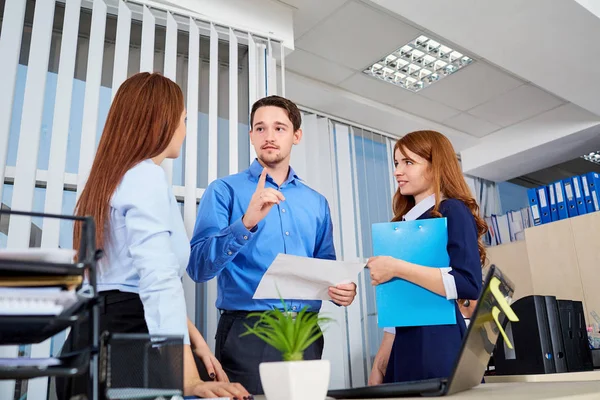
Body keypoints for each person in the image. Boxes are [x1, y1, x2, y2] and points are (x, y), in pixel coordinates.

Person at [59, 72, 249, 400]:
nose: (185, 130)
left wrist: (196, 341)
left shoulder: (109, 181)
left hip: (87, 341)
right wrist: (188, 378)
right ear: (162, 122)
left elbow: (131, 282)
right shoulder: (146, 176)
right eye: (184, 119)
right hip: (127, 345)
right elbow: (157, 281)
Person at [186, 95, 358, 394]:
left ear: (296, 135)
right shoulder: (224, 190)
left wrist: (340, 288)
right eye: (260, 128)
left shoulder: (316, 202)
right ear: (251, 135)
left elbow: (325, 268)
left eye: (279, 128)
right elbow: (199, 268)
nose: (269, 136)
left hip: (305, 332)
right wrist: (246, 222)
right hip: (248, 332)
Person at [366, 130, 488, 385]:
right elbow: (401, 302)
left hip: (438, 342)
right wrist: (381, 362)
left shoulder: (452, 209)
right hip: (405, 344)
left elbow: (468, 282)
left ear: (436, 167)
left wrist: (397, 267)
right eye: (396, 163)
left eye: (408, 162)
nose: (397, 171)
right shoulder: (403, 223)